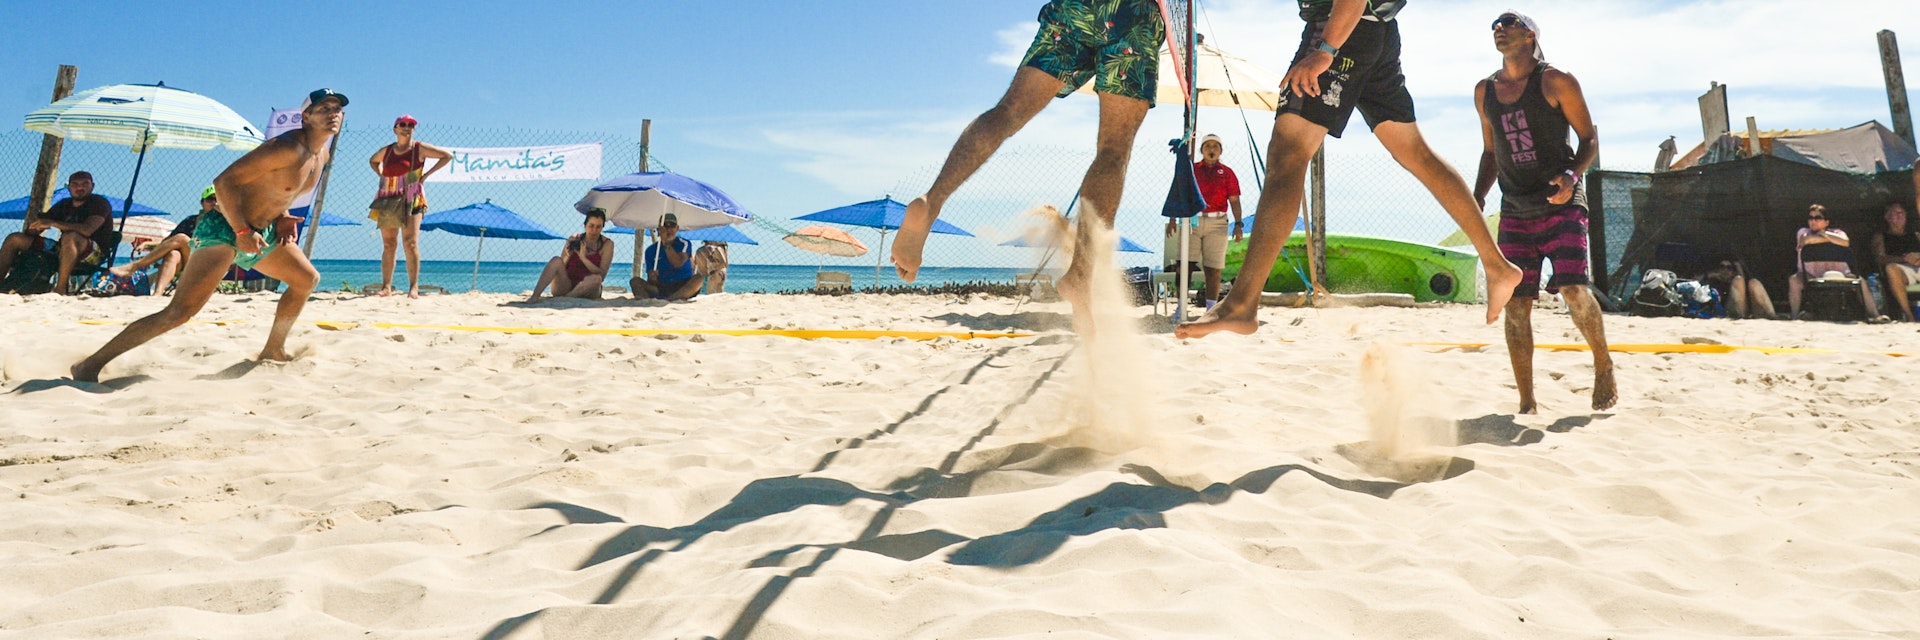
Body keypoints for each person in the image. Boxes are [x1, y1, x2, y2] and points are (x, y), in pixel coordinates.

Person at [1175, 0, 1524, 339]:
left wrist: (1326, 49)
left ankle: (1242, 302)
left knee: (1287, 158)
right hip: (1376, 30)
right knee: (1417, 154)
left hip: (1342, 28)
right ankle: (1496, 264)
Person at [891, 0, 1164, 327]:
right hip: (1135, 13)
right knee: (1113, 150)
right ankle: (1080, 274)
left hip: (1074, 9)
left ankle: (931, 202)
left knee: (1006, 113)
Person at [71, 88, 343, 383]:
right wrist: (240, 231)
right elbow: (224, 182)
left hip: (260, 232)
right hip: (227, 227)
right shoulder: (287, 147)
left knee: (306, 279)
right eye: (324, 108)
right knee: (180, 312)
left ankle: (273, 349)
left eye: (337, 109)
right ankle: (90, 365)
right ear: (306, 117)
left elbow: (274, 189)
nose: (333, 114)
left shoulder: (322, 154)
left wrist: (283, 216)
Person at [1461, 10, 1613, 413]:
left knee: (1574, 290)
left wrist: (1571, 174)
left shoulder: (1555, 80)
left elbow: (1589, 139)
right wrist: (1477, 197)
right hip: (1514, 209)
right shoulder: (1484, 91)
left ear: (1530, 34)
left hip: (1560, 203)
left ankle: (1603, 365)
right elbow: (1491, 152)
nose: (1498, 28)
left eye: (1508, 22)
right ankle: (1527, 401)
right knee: (1516, 304)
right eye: (1493, 24)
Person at [367, 114, 452, 299]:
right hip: (388, 194)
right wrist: (381, 174)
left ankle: (413, 287)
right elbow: (373, 160)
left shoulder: (419, 148)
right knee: (389, 243)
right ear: (395, 129)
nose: (406, 127)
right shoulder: (388, 150)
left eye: (411, 125)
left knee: (410, 242)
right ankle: (386, 287)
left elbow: (447, 156)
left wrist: (426, 175)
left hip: (412, 194)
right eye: (402, 124)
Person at [0, 171, 114, 295]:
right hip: (64, 249)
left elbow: (87, 230)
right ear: (68, 186)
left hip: (93, 254)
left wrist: (53, 223)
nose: (79, 187)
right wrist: (35, 227)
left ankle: (60, 289)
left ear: (92, 186)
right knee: (14, 238)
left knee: (70, 236)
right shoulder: (64, 204)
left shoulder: (99, 203)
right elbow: (37, 227)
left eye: (84, 184)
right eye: (75, 184)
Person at [1163, 132, 1244, 307]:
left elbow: (1235, 200)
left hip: (1218, 223)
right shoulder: (1192, 170)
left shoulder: (1227, 173)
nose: (1211, 149)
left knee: (1213, 268)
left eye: (1215, 146)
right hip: (1192, 221)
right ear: (1201, 150)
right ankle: (1181, 306)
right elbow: (1179, 193)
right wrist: (1172, 219)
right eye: (1208, 146)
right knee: (1184, 265)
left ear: (1220, 150)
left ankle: (1211, 307)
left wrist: (1239, 224)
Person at [109, 185, 215, 294]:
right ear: (202, 203)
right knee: (173, 254)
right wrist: (148, 244)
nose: (214, 203)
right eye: (210, 199)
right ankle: (157, 293)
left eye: (218, 200)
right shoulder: (191, 220)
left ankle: (136, 266)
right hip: (189, 262)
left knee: (182, 238)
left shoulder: (225, 222)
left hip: (209, 264)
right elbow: (169, 241)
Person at [1787, 204, 1880, 320]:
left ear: (1827, 222)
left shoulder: (1838, 232)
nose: (1813, 221)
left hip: (1840, 274)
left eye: (1818, 218)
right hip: (1811, 275)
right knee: (1794, 280)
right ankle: (1795, 316)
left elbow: (1845, 242)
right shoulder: (1803, 232)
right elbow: (1806, 240)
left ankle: (1876, 316)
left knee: (1861, 282)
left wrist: (1824, 234)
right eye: (1810, 218)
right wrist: (1830, 239)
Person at [528, 208, 616, 301]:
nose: (594, 230)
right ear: (585, 226)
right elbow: (561, 265)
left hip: (589, 287)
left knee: (596, 279)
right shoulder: (575, 238)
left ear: (602, 227)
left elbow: (602, 275)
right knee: (556, 260)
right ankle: (535, 296)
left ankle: (567, 298)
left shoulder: (607, 244)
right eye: (591, 226)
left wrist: (583, 257)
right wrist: (568, 254)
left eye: (598, 227)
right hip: (566, 284)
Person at [1868, 201, 1920, 322]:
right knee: (1891, 268)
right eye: (1896, 213)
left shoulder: (1916, 235)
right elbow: (1879, 259)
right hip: (1902, 270)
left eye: (1902, 213)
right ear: (1887, 217)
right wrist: (1904, 259)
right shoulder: (1881, 236)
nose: (1900, 216)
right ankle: (1909, 315)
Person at [631, 213, 701, 301]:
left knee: (698, 278)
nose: (669, 229)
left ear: (677, 228)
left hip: (683, 284)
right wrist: (653, 278)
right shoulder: (651, 250)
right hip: (662, 286)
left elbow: (677, 263)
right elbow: (651, 280)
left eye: (672, 226)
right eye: (665, 226)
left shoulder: (684, 244)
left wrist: (665, 243)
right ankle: (648, 300)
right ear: (659, 229)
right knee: (635, 281)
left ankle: (671, 299)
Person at [1698, 258, 1777, 320]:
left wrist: (1739, 270)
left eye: (1729, 268)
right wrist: (1709, 275)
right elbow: (1693, 284)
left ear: (1733, 271)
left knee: (1753, 283)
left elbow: (1743, 283)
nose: (1725, 270)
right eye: (1722, 267)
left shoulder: (1740, 283)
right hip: (1727, 313)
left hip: (1748, 312)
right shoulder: (1713, 281)